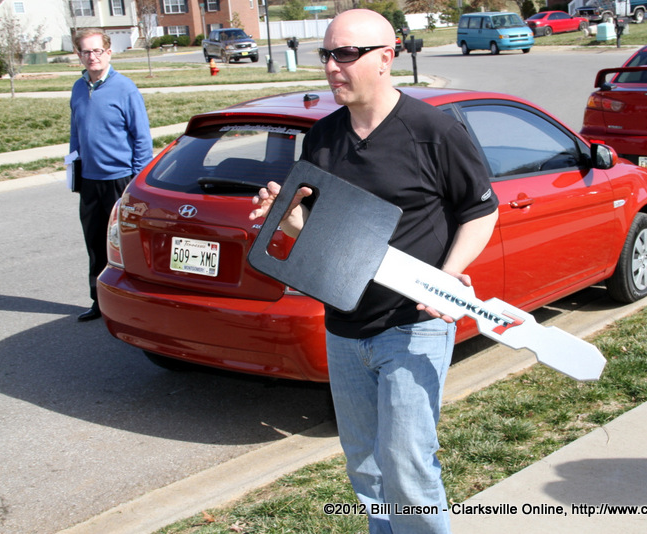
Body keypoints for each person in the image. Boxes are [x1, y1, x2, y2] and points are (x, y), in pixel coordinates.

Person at [250, 9, 499, 533]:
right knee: (364, 465)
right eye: (326, 54)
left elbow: (481, 212)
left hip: (413, 324)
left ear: (386, 57)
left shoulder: (434, 131)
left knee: (407, 466)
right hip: (343, 328)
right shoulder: (322, 138)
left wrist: (447, 277)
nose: (331, 67)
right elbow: (320, 230)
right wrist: (287, 220)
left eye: (345, 54)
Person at [70, 28, 153, 321]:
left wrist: (138, 182)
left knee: (125, 245)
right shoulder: (78, 87)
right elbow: (75, 132)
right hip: (90, 181)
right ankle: (99, 301)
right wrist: (75, 168)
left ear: (108, 52)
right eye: (85, 51)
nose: (91, 57)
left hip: (121, 180)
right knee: (95, 244)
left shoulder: (125, 88)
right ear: (79, 55)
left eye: (97, 51)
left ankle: (135, 305)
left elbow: (141, 138)